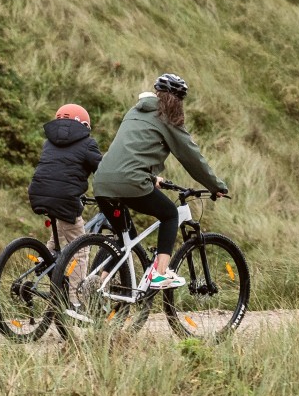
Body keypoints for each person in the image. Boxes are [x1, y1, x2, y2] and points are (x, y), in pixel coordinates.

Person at [91, 73, 229, 288]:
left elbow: (132, 151)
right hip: (131, 181)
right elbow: (191, 157)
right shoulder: (168, 118)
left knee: (124, 238)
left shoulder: (133, 112)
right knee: (169, 214)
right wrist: (215, 186)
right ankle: (160, 273)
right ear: (178, 101)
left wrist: (151, 177)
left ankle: (99, 284)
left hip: (102, 181)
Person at [27, 103, 102, 251]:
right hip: (65, 199)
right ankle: (79, 276)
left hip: (38, 193)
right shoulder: (88, 143)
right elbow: (102, 170)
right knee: (81, 249)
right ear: (85, 124)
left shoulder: (48, 143)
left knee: (59, 235)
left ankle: (44, 261)